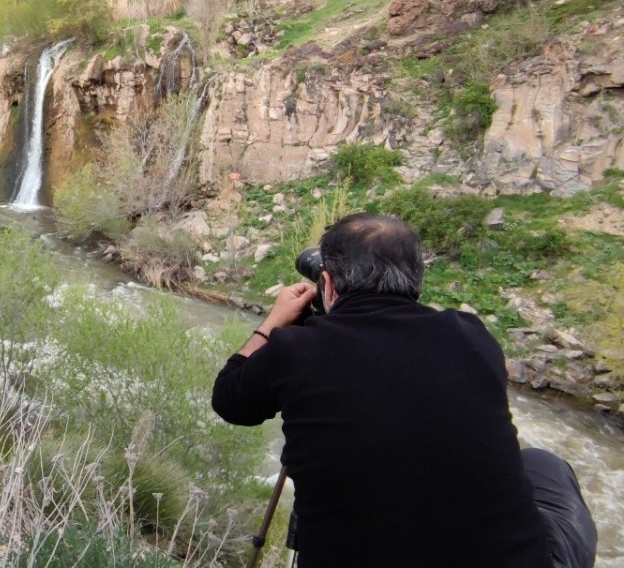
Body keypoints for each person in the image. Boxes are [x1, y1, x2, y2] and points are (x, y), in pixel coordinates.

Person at [212, 213, 597, 568]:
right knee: (545, 464)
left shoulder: (296, 349)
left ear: (326, 285)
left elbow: (229, 399)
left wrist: (274, 323)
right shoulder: (472, 336)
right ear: (415, 280)